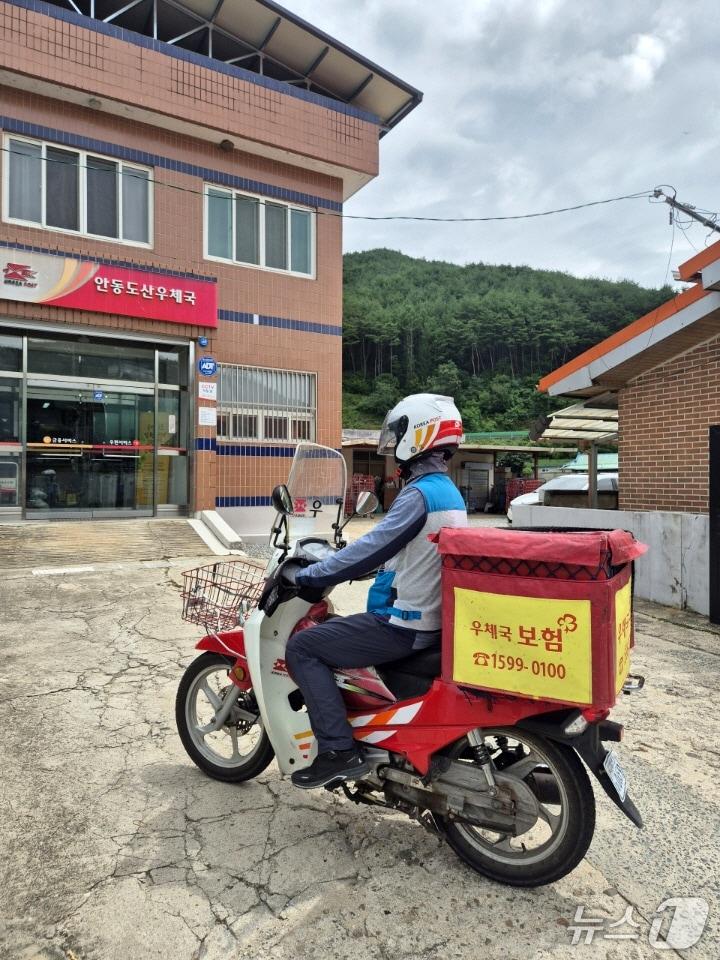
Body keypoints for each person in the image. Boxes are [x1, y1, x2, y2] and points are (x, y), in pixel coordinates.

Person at [285, 394, 467, 789]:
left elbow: (373, 546)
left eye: (399, 432)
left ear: (417, 436)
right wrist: (366, 566)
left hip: (406, 624)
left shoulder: (419, 494)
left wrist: (314, 574)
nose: (394, 443)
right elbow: (410, 552)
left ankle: (338, 750)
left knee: (304, 647)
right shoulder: (447, 492)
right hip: (433, 619)